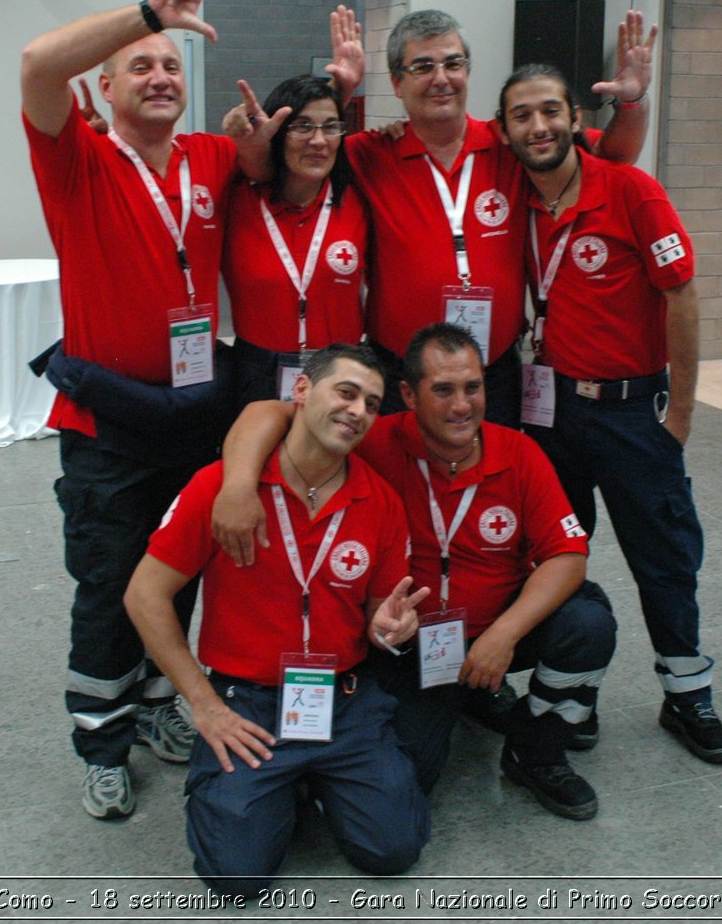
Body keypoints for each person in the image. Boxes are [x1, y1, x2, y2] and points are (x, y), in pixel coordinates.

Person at [19, 0, 274, 820]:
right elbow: (35, 66)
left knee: (179, 572)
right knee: (106, 584)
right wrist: (144, 14)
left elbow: (287, 163)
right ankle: (100, 733)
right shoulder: (76, 162)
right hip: (109, 423)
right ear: (108, 81)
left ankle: (160, 705)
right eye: (141, 64)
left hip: (194, 415)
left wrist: (335, 92)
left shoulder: (211, 156)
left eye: (170, 65)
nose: (160, 76)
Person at [213, 324, 615, 819]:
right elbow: (267, 413)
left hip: (497, 629)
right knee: (409, 785)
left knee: (588, 621)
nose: (462, 405)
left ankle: (535, 750)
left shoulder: (519, 453)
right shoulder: (374, 441)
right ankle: (464, 699)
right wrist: (236, 484)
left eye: (473, 387)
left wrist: (504, 634)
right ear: (408, 394)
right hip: (410, 645)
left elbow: (569, 555)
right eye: (442, 390)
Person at [124, 344, 430, 896]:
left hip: (344, 698)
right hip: (251, 702)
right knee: (235, 877)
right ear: (302, 392)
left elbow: (377, 616)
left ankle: (308, 784)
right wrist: (204, 705)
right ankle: (272, 790)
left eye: (372, 403)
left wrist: (388, 628)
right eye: (346, 392)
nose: (359, 410)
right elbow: (144, 596)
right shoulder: (224, 489)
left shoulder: (380, 502)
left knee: (393, 850)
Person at [498, 63, 722, 765]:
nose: (537, 126)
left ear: (577, 120)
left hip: (634, 414)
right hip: (550, 414)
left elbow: (682, 294)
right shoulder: (514, 196)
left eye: (550, 111)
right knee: (558, 555)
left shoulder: (631, 189)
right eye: (521, 116)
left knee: (663, 558)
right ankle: (575, 689)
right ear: (506, 130)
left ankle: (687, 690)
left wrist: (682, 413)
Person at [323, 7, 656, 425]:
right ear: (396, 82)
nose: (441, 78)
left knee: (491, 483)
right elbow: (295, 153)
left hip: (493, 372)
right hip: (399, 373)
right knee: (401, 485)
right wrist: (340, 91)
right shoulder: (370, 153)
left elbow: (616, 155)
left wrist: (632, 102)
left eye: (453, 63)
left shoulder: (510, 143)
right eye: (423, 66)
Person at [222, 74, 368, 407]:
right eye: (302, 126)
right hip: (256, 372)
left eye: (331, 127)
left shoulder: (358, 198)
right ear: (277, 133)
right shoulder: (235, 198)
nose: (319, 141)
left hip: (341, 371)